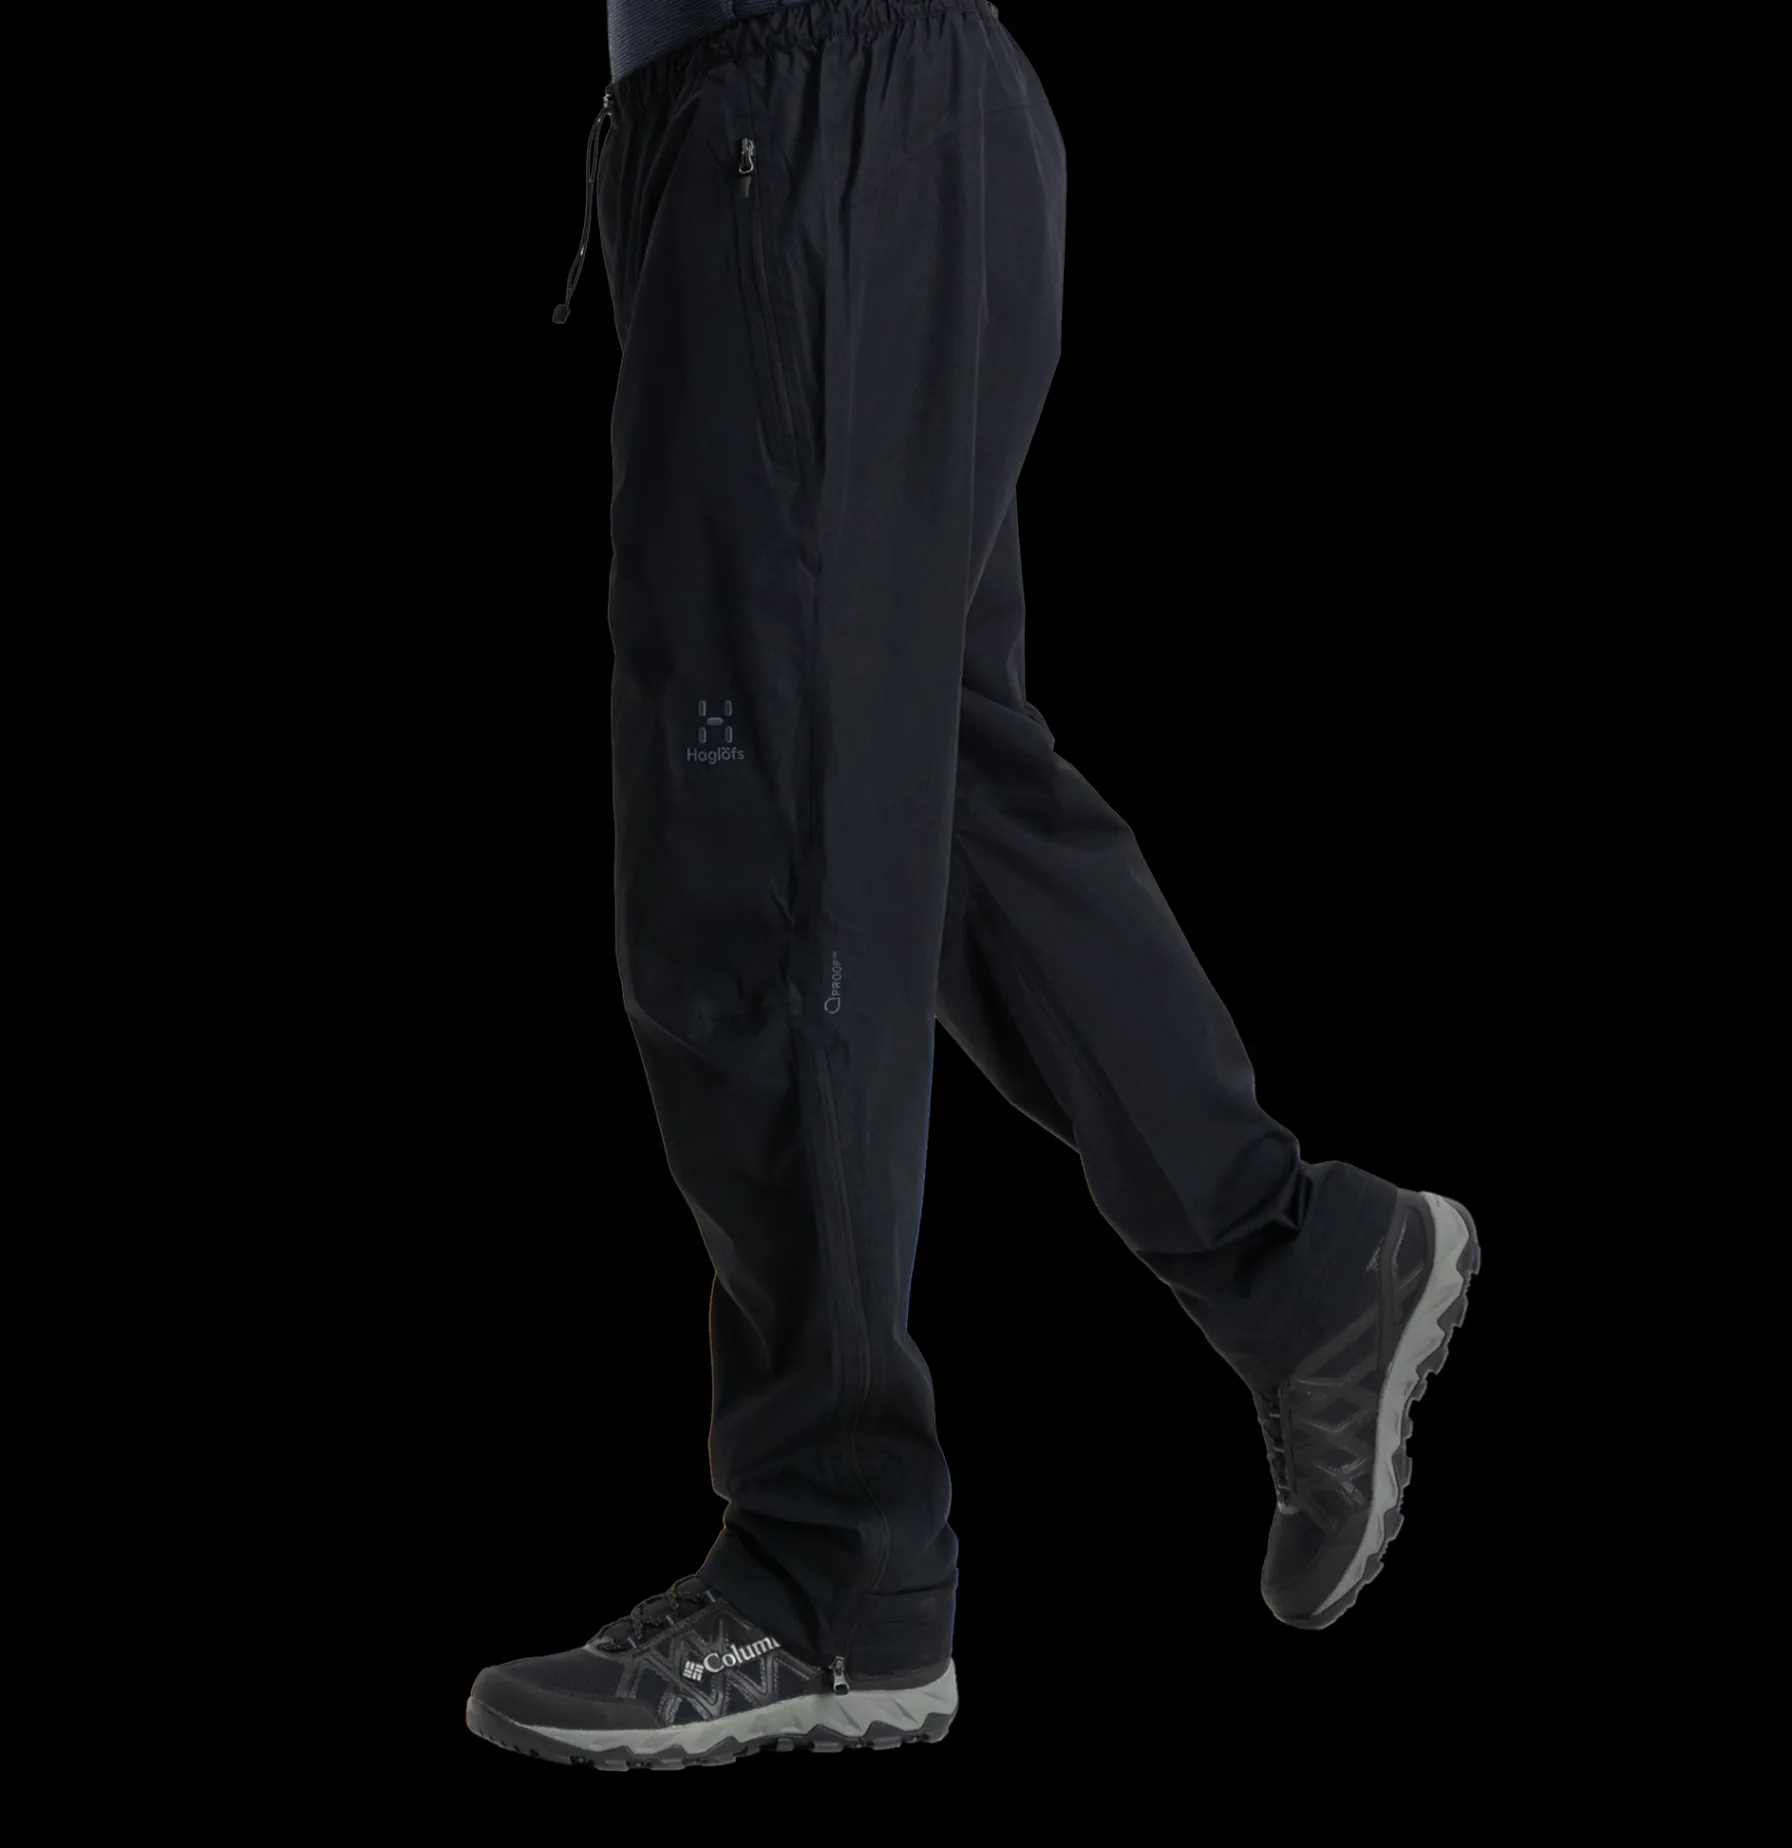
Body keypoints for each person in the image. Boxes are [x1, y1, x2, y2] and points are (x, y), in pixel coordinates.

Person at [466, 0, 1479, 1771]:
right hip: (878, 116)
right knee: (934, 791)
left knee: (755, 845)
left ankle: (833, 1565)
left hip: (795, 121)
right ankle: (1306, 1273)